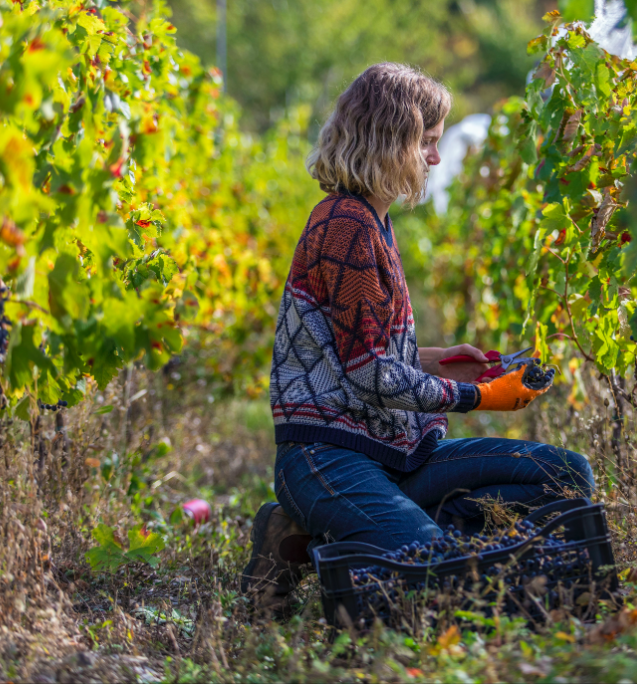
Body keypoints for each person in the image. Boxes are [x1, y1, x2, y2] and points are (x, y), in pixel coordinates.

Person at [241, 63, 594, 613]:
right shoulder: (344, 225)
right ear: (388, 141)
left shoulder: (373, 221)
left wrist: (437, 362)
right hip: (327, 454)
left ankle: (326, 525)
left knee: (568, 474)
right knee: (429, 562)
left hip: (396, 452)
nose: (435, 158)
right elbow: (369, 373)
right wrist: (477, 397)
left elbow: (362, 351)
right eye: (425, 143)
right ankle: (324, 530)